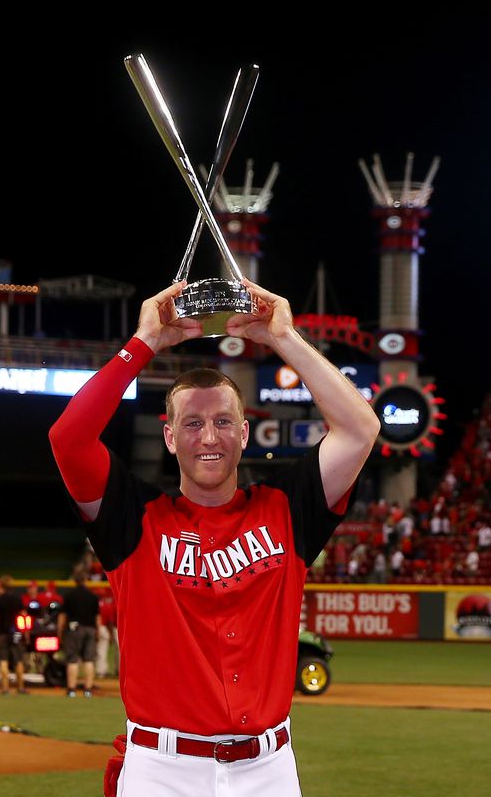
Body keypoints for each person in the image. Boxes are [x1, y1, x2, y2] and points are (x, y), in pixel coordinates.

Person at [48, 279, 379, 796]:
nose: (208, 437)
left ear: (244, 434)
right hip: (162, 769)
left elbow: (360, 430)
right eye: (193, 423)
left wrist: (285, 339)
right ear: (168, 435)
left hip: (267, 771)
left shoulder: (286, 509)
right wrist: (144, 344)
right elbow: (67, 440)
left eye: (224, 422)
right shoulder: (133, 518)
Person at [58, 566, 100, 698]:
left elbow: (62, 616)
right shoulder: (93, 596)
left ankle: (71, 689)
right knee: (89, 660)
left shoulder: (69, 595)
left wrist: (60, 631)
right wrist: (97, 630)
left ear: (75, 580)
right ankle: (88, 690)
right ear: (85, 580)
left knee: (72, 659)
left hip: (74, 628)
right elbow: (97, 617)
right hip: (90, 628)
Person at [0, 576, 27, 695]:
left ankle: (5, 688)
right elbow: (23, 616)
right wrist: (25, 632)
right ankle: (21, 687)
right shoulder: (18, 599)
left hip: (3, 633)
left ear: (2, 586)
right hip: (15, 633)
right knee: (18, 660)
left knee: (3, 660)